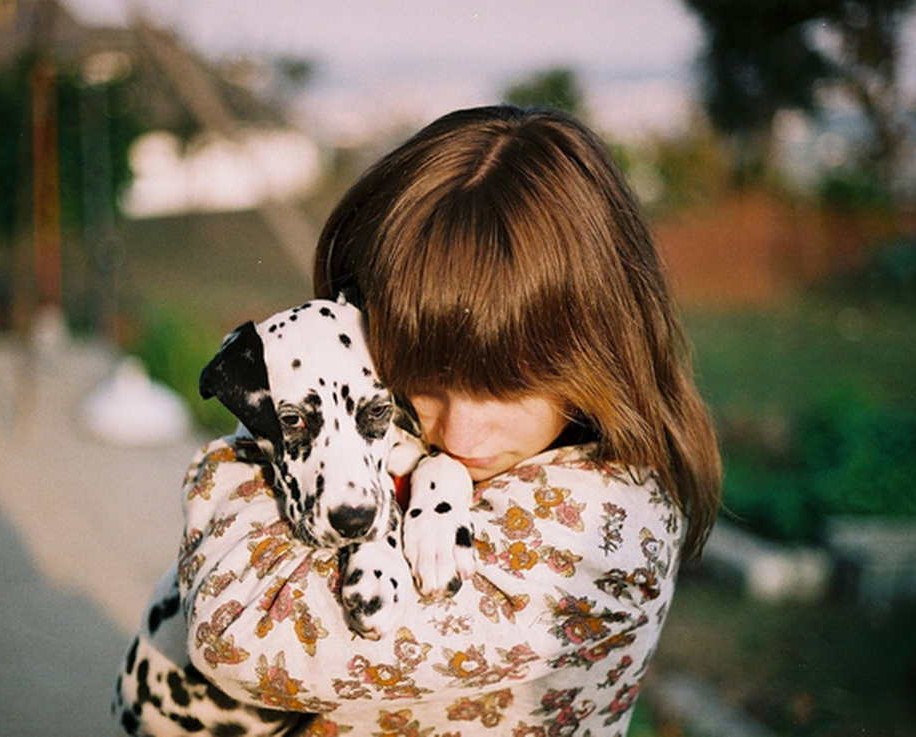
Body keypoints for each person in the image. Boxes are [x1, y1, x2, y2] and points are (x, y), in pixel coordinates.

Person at [175, 104, 722, 735]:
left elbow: (234, 633)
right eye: (422, 382)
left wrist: (231, 463)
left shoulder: (604, 530)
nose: (459, 436)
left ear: (599, 344)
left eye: (508, 387)